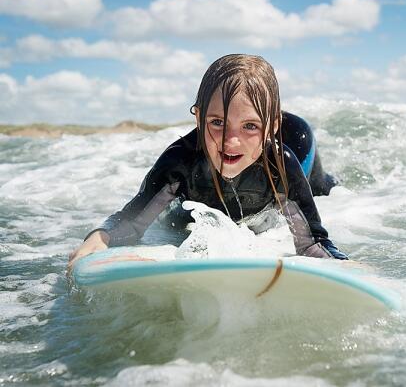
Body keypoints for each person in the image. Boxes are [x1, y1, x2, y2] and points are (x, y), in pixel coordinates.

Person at [68, 54, 348, 270]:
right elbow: (131, 222)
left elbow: (313, 243)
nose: (230, 142)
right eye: (217, 123)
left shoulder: (282, 164)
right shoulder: (180, 162)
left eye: (249, 126)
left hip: (301, 147)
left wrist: (342, 265)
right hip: (196, 202)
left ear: (272, 127)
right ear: (198, 118)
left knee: (324, 189)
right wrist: (100, 237)